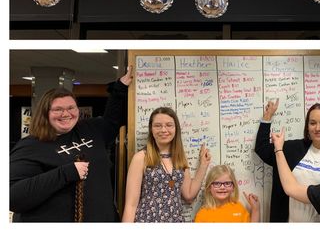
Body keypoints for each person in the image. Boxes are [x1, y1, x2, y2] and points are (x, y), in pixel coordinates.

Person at [9, 66, 133, 222]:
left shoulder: (90, 129)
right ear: (45, 113)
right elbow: (13, 197)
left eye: (71, 108)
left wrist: (120, 87)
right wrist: (65, 173)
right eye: (58, 109)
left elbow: (112, 120)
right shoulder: (30, 146)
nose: (66, 114)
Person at [254, 99, 320, 222]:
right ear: (307, 126)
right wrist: (268, 116)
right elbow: (262, 149)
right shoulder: (293, 149)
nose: (317, 128)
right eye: (313, 123)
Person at [122, 106, 211, 222]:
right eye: (158, 126)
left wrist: (203, 166)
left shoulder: (179, 158)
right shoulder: (141, 158)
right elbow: (131, 205)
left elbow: (189, 195)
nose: (164, 130)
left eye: (169, 125)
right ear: (151, 129)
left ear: (176, 129)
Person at [194, 164, 260, 222]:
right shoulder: (202, 215)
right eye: (217, 183)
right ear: (209, 187)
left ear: (233, 187)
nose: (222, 187)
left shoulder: (239, 208)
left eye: (227, 183)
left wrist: (255, 210)